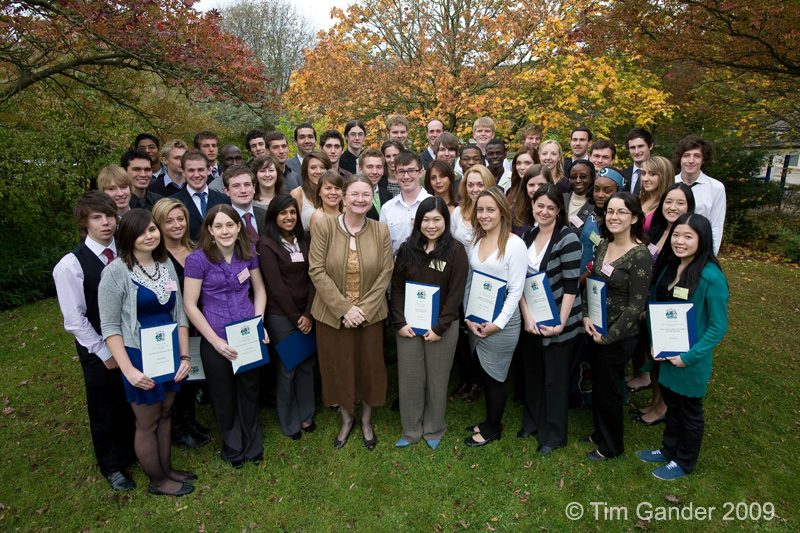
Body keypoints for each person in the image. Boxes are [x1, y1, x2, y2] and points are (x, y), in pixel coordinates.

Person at [98, 208, 194, 496]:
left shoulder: (164, 264)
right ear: (127, 235)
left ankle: (166, 470)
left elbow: (180, 314)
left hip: (169, 351)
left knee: (165, 413)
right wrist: (129, 370)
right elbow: (111, 326)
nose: (149, 235)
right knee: (147, 420)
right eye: (141, 231)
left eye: (152, 229)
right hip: (139, 356)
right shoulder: (115, 272)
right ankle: (157, 481)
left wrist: (186, 356)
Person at [53, 191, 136, 491]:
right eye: (97, 218)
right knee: (105, 406)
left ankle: (131, 451)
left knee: (129, 400)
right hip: (99, 350)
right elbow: (74, 319)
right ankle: (111, 465)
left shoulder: (128, 252)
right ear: (84, 222)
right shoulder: (70, 265)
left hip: (131, 340)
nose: (106, 224)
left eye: (110, 216)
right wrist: (105, 352)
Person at [637, 214, 729, 480]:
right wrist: (656, 344)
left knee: (689, 412)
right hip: (665, 354)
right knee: (672, 407)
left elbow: (717, 327)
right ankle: (668, 450)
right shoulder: (669, 267)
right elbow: (656, 305)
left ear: (702, 240)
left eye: (688, 236)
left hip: (690, 360)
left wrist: (689, 356)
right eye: (676, 234)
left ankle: (685, 461)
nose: (680, 241)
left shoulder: (711, 277)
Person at [309, 175, 394, 450]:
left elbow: (385, 272)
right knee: (339, 368)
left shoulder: (381, 230)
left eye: (366, 194)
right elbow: (317, 270)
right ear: (343, 198)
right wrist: (345, 309)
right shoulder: (324, 227)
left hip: (370, 316)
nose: (360, 199)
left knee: (369, 368)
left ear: (373, 198)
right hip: (332, 317)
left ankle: (366, 420)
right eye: (354, 194)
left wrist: (363, 310)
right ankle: (346, 419)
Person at [183, 205, 268, 468]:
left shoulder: (248, 253)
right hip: (216, 336)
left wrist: (259, 324)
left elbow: (260, 291)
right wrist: (215, 342)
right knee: (223, 395)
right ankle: (233, 445)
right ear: (210, 230)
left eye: (230, 225)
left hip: (246, 333)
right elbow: (190, 304)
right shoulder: (197, 260)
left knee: (249, 390)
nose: (225, 231)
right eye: (218, 226)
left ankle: (253, 441)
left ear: (238, 226)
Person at [391, 197, 468, 450]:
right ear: (418, 221)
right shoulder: (407, 249)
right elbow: (397, 287)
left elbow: (456, 294)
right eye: (426, 219)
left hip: (442, 328)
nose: (431, 225)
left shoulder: (456, 251)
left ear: (445, 221)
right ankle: (411, 430)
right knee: (410, 378)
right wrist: (400, 322)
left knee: (437, 379)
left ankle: (434, 428)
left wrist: (439, 327)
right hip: (408, 327)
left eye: (437, 219)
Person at [580, 192, 651, 461]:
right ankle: (599, 433)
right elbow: (592, 283)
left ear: (634, 218)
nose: (614, 216)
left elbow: (636, 305)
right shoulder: (604, 244)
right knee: (598, 385)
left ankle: (611, 446)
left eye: (622, 212)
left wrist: (608, 338)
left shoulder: (640, 255)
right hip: (595, 327)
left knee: (609, 390)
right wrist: (586, 316)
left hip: (619, 336)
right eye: (610, 211)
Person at [517, 185, 583, 454]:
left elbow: (571, 287)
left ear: (559, 211)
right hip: (532, 317)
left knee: (555, 379)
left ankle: (553, 434)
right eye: (539, 205)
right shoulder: (529, 235)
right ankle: (532, 421)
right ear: (532, 205)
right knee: (533, 373)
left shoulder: (568, 239)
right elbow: (518, 279)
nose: (544, 211)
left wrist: (560, 323)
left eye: (550, 207)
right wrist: (527, 316)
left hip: (559, 319)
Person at [626, 183, 696, 421]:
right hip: (649, 299)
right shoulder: (656, 230)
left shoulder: (686, 235)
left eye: (680, 203)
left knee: (664, 357)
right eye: (668, 201)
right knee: (653, 354)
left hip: (669, 305)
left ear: (689, 206)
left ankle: (663, 407)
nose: (673, 207)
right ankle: (656, 401)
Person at [464, 188, 527, 446]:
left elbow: (516, 291)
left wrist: (497, 325)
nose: (485, 215)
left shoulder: (514, 245)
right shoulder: (476, 241)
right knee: (483, 372)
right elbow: (469, 282)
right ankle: (490, 420)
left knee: (495, 377)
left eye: (491, 209)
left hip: (501, 324)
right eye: (480, 210)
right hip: (476, 320)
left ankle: (492, 429)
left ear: (502, 211)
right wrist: (467, 317)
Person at [257, 193, 317, 440]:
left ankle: (307, 415)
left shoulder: (303, 239)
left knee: (306, 366)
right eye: (283, 213)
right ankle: (290, 420)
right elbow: (276, 286)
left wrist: (308, 313)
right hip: (282, 316)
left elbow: (313, 276)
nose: (289, 217)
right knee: (287, 368)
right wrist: (296, 317)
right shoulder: (267, 244)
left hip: (306, 314)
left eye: (293, 212)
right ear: (274, 216)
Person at [151, 198, 211, 449]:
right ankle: (178, 429)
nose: (177, 225)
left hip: (199, 321)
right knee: (177, 377)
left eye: (181, 219)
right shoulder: (156, 256)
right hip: (172, 325)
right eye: (169, 220)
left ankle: (190, 421)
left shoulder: (196, 249)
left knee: (193, 373)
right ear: (158, 224)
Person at [673, 135, 726, 254]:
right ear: (680, 158)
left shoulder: (716, 188)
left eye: (697, 156)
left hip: (700, 250)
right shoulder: (669, 183)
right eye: (686, 155)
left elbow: (716, 226)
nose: (691, 160)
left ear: (703, 160)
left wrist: (711, 256)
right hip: (671, 248)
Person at [380, 151, 432, 257]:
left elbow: (442, 245)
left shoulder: (433, 205)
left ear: (421, 172)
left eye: (411, 171)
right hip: (397, 269)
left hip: (427, 269)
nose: (406, 176)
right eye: (401, 171)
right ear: (395, 174)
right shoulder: (387, 208)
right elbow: (383, 248)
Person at [173, 150, 231, 241]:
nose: (196, 175)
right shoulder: (174, 202)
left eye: (200, 170)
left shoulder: (224, 200)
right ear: (183, 172)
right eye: (191, 170)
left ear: (208, 170)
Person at [223, 164, 267, 244]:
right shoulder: (221, 221)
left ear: (254, 188)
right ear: (227, 191)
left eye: (247, 185)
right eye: (236, 186)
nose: (243, 190)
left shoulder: (266, 216)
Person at [290, 149, 332, 231]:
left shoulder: (333, 193)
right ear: (306, 170)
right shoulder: (297, 194)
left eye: (323, 167)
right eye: (313, 168)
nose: (318, 171)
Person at [639, 156, 673, 233]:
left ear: (664, 176)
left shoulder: (668, 206)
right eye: (643, 173)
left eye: (652, 174)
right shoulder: (640, 200)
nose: (645, 179)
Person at [358, 148, 392, 220]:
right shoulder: (354, 196)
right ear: (360, 169)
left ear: (383, 170)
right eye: (370, 167)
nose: (374, 172)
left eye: (378, 167)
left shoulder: (388, 196)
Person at [565, 159, 595, 235]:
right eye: (573, 177)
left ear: (591, 178)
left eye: (583, 177)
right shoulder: (560, 199)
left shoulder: (595, 204)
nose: (578, 180)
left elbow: (590, 233)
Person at [621, 128, 654, 195]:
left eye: (640, 146)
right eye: (633, 147)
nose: (636, 151)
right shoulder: (621, 175)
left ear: (650, 146)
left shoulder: (659, 174)